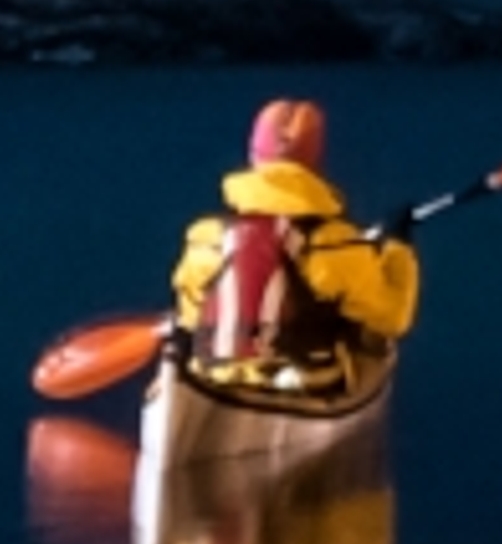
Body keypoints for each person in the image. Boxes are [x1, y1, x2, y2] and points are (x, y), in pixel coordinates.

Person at [171, 96, 421, 384]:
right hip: (307, 381)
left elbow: (190, 316)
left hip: (217, 375)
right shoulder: (338, 243)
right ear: (313, 163)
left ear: (254, 158)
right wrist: (397, 247)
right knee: (368, 346)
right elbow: (391, 318)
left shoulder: (205, 237)